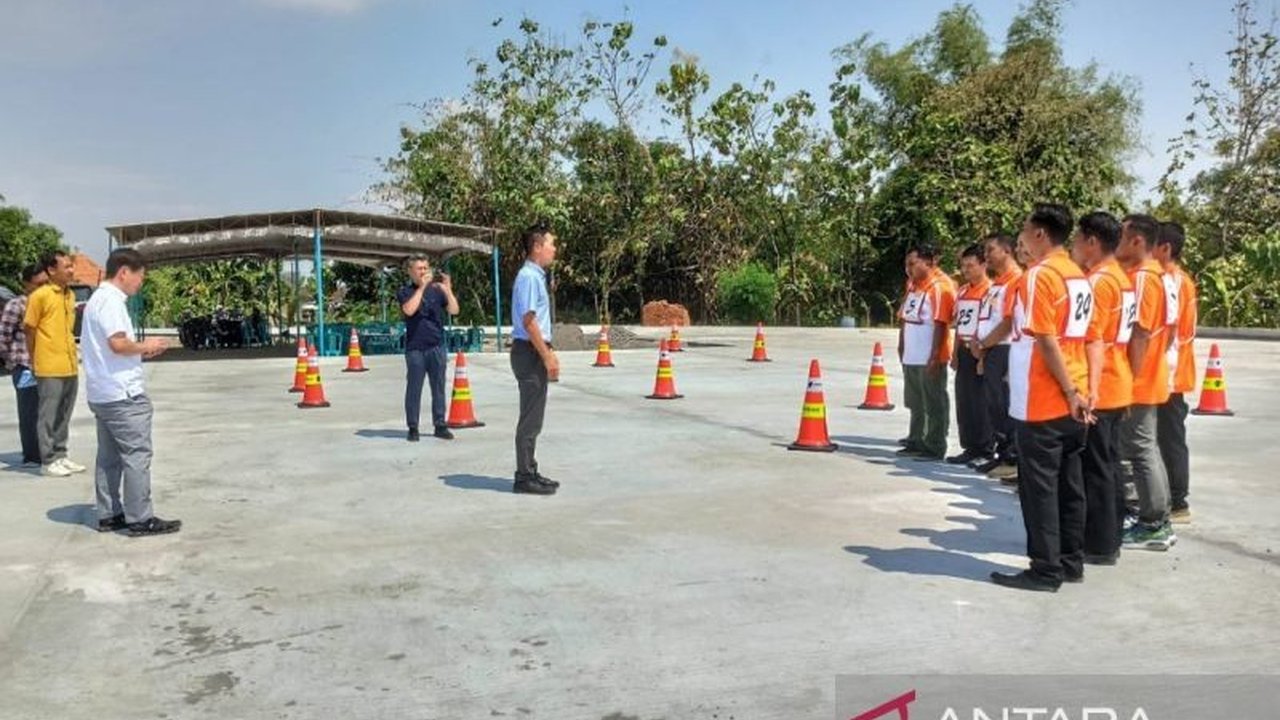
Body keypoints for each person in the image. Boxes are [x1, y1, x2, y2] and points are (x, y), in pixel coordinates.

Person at [991, 203, 1092, 592]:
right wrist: (1078, 391)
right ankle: (1070, 561)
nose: (1021, 237)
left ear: (1040, 234)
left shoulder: (1039, 276)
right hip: (1073, 395)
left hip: (1044, 399)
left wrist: (1066, 389)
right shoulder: (1077, 275)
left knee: (1040, 490)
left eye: (1025, 229)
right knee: (1069, 484)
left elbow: (1045, 339)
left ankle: (1045, 569)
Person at [81, 248, 180, 536]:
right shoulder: (111, 301)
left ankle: (109, 513)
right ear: (124, 272)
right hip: (122, 395)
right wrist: (146, 345)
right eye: (140, 277)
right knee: (136, 455)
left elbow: (115, 349)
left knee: (109, 457)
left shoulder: (96, 300)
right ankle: (140, 517)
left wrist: (141, 353)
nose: (140, 283)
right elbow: (118, 344)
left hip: (103, 393)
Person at [1071, 211, 1134, 565]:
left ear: (1092, 242)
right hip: (1116, 378)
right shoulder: (1120, 279)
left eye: (1078, 240)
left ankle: (1098, 543)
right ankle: (1109, 538)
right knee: (1107, 464)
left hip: (1102, 382)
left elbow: (1091, 339)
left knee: (1096, 468)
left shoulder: (1098, 282)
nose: (1075, 247)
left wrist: (1086, 388)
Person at [1114, 214, 1176, 551]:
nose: (1115, 243)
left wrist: (1130, 379)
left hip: (1137, 381)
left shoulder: (1144, 278)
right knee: (1141, 449)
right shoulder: (1154, 276)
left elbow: (1141, 332)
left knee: (1139, 450)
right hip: (1145, 377)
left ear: (1137, 241)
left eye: (1120, 237)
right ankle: (1151, 518)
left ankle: (1153, 521)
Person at [23, 250, 85, 478]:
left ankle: (61, 455)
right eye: (66, 267)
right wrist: (33, 357)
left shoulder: (70, 296)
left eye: (71, 266)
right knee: (48, 415)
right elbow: (29, 329)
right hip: (48, 364)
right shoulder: (40, 296)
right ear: (51, 270)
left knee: (64, 414)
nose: (71, 270)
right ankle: (47, 461)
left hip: (69, 363)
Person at [969, 233, 1026, 482]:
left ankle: (1012, 457)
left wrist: (984, 343)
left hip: (1004, 348)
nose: (987, 255)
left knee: (1005, 404)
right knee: (994, 405)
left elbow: (1008, 322)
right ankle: (1002, 454)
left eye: (991, 250)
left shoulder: (1017, 280)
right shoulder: (998, 283)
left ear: (1007, 251)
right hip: (992, 349)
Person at [510, 225, 560, 495]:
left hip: (530, 351)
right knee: (530, 419)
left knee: (534, 417)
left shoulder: (534, 276)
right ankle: (523, 476)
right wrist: (547, 355)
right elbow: (529, 322)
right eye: (551, 244)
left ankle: (530, 469)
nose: (554, 249)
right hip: (529, 352)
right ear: (537, 246)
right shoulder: (529, 277)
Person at [896, 242, 957, 462]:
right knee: (915, 400)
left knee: (933, 400)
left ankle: (934, 443)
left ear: (929, 262)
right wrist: (902, 344)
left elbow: (941, 324)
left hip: (929, 355)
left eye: (913, 263)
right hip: (912, 353)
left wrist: (934, 356)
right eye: (906, 264)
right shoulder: (913, 285)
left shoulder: (940, 287)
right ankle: (916, 438)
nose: (908, 268)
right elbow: (905, 317)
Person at [1155, 221, 1197, 525]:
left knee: (1170, 437)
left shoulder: (1176, 282)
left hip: (1171, 373)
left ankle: (1178, 500)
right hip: (1166, 372)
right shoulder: (1168, 279)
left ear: (1165, 248)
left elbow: (1171, 333)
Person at [397, 256, 460, 442]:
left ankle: (440, 424)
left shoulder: (437, 291)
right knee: (414, 388)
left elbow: (454, 310)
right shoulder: (405, 291)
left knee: (438, 387)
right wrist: (422, 288)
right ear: (410, 271)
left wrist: (448, 290)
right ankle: (413, 427)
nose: (423, 272)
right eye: (419, 268)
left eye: (425, 268)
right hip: (415, 348)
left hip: (436, 346)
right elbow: (409, 310)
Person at [947, 243, 992, 465]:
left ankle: (984, 448)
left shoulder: (990, 291)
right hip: (964, 349)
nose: (966, 270)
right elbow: (958, 325)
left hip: (980, 350)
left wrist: (983, 355)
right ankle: (969, 446)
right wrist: (954, 353)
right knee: (964, 400)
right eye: (963, 266)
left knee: (981, 401)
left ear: (983, 264)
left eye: (971, 265)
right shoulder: (963, 291)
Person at [0, 264, 48, 467]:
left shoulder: (48, 303)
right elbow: (3, 336)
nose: (42, 288)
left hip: (48, 367)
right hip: (25, 367)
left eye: (46, 283)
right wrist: (12, 363)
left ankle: (48, 452)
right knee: (29, 414)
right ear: (26, 284)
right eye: (38, 284)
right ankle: (31, 455)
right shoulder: (17, 305)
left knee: (48, 412)